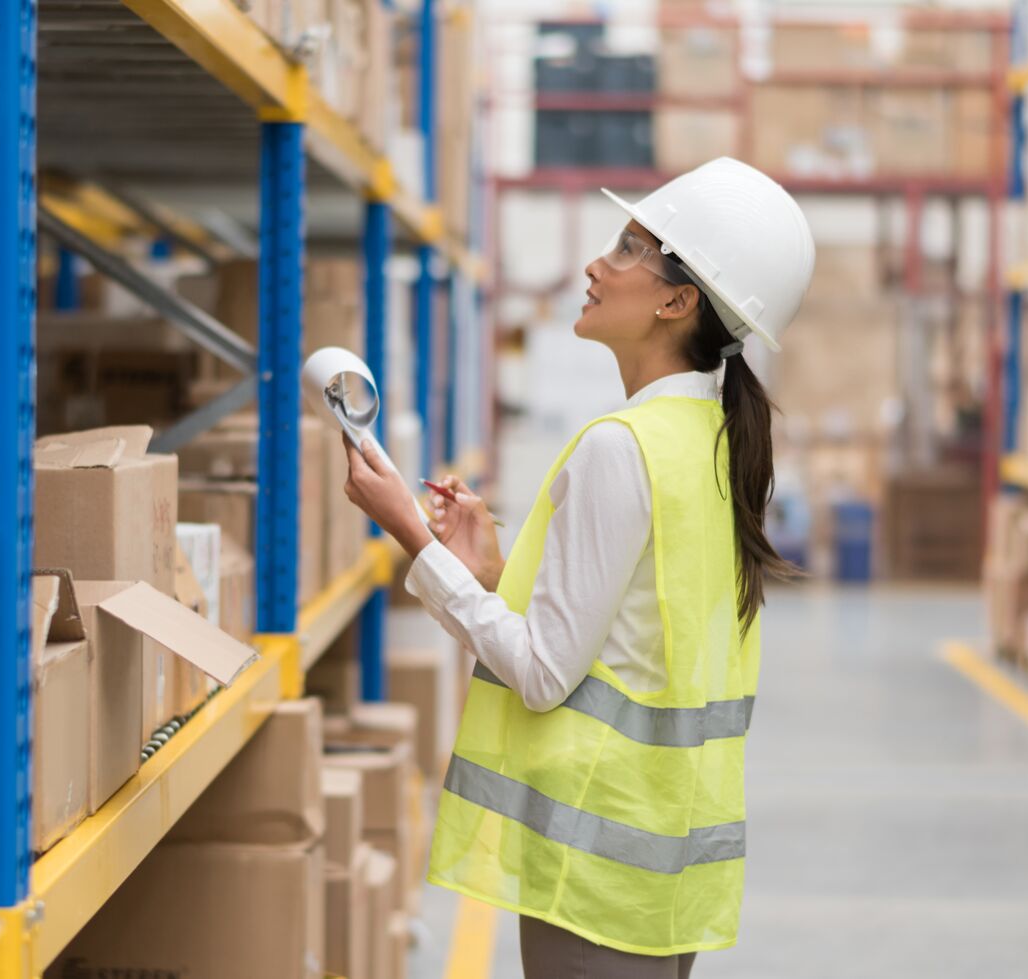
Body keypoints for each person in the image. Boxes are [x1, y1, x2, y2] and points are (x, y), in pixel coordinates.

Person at [340, 158, 816, 979]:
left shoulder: (620, 447)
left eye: (631, 248)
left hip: (592, 864)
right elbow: (624, 645)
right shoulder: (707, 439)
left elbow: (542, 674)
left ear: (679, 300)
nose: (598, 263)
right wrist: (483, 578)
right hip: (660, 859)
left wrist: (412, 539)